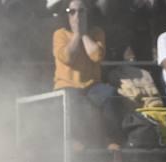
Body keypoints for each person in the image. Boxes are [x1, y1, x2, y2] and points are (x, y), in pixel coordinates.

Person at [53, 0, 123, 150]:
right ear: (66, 15)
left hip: (92, 85)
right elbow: (68, 58)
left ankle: (111, 139)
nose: (77, 15)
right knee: (72, 100)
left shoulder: (97, 33)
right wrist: (77, 34)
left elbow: (97, 56)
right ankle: (73, 140)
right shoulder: (59, 34)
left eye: (81, 11)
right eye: (72, 11)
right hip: (67, 85)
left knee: (110, 94)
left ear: (89, 13)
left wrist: (83, 34)